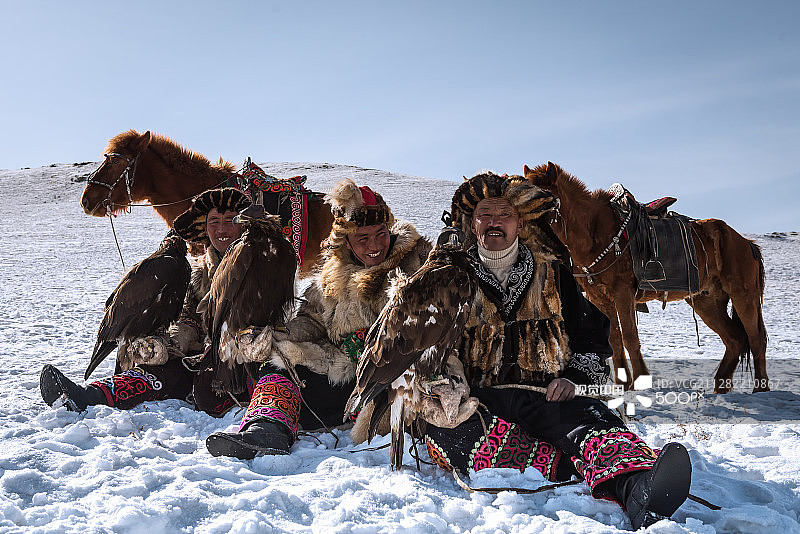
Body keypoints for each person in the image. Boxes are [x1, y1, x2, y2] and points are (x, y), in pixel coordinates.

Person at [417, 173, 692, 530]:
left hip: (548, 392)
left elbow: (592, 337)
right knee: (452, 432)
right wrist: (449, 387)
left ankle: (637, 488)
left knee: (594, 425)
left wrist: (574, 378)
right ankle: (566, 461)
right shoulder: (449, 277)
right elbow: (430, 349)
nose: (495, 222)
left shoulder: (556, 272)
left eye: (506, 215)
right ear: (472, 222)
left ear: (520, 223)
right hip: (480, 397)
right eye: (486, 214)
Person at [205, 178, 432, 458]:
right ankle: (266, 430)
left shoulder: (418, 268)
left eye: (381, 234)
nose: (374, 245)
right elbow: (311, 323)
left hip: (395, 379)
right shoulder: (330, 278)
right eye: (362, 238)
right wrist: (277, 336)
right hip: (342, 375)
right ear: (346, 242)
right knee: (282, 361)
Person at [40, 188, 253, 416]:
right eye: (214, 221)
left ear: (244, 224)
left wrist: (225, 345)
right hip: (200, 357)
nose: (221, 229)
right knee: (159, 371)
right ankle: (88, 397)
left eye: (231, 220)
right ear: (204, 227)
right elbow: (189, 317)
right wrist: (174, 343)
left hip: (245, 355)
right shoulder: (199, 271)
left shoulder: (265, 262)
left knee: (206, 391)